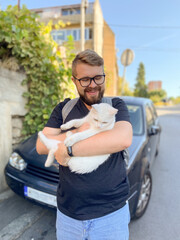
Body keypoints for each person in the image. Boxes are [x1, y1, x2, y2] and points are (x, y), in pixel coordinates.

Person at [36, 49, 133, 240]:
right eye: (85, 80)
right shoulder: (64, 108)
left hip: (111, 216)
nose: (93, 85)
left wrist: (69, 149)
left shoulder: (115, 105)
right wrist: (78, 132)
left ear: (104, 76)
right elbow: (41, 144)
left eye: (98, 77)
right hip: (68, 217)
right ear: (74, 80)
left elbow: (123, 138)